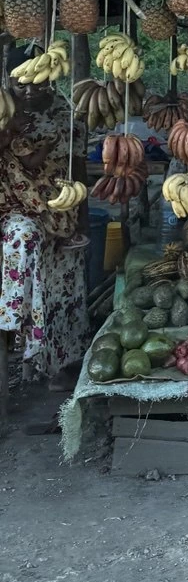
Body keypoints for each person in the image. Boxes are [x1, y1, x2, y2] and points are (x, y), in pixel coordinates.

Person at [0, 79, 89, 382]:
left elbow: (78, 166)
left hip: (62, 210)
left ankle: (60, 368)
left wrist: (82, 219)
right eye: (19, 84)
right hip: (23, 211)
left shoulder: (67, 113)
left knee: (65, 292)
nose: (28, 91)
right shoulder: (5, 113)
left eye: (36, 84)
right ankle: (29, 359)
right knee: (37, 284)